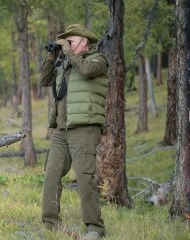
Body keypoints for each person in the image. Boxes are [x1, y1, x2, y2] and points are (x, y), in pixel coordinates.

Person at [40, 24, 109, 240]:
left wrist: (68, 52)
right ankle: (51, 224)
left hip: (85, 128)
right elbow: (45, 81)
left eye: (70, 41)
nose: (66, 45)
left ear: (84, 42)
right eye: (65, 42)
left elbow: (87, 70)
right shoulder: (66, 65)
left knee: (84, 178)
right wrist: (52, 57)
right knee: (51, 175)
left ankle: (95, 229)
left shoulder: (98, 61)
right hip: (62, 129)